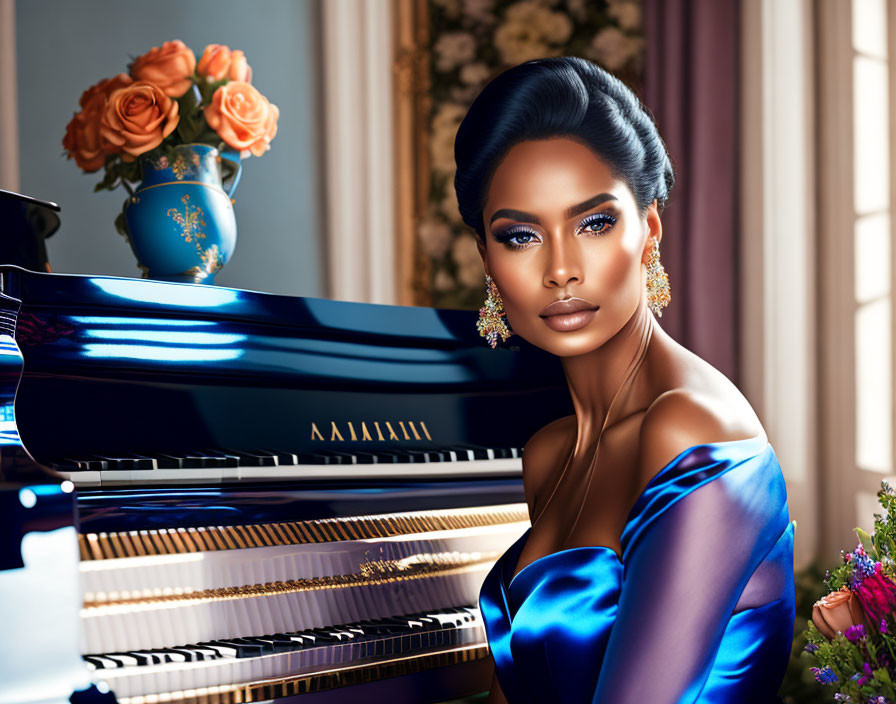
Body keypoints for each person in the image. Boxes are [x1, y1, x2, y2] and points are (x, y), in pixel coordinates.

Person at [453, 56, 796, 703]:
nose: (561, 270)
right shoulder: (550, 454)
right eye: (521, 235)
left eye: (594, 223)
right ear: (488, 262)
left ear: (649, 231)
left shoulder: (690, 430)